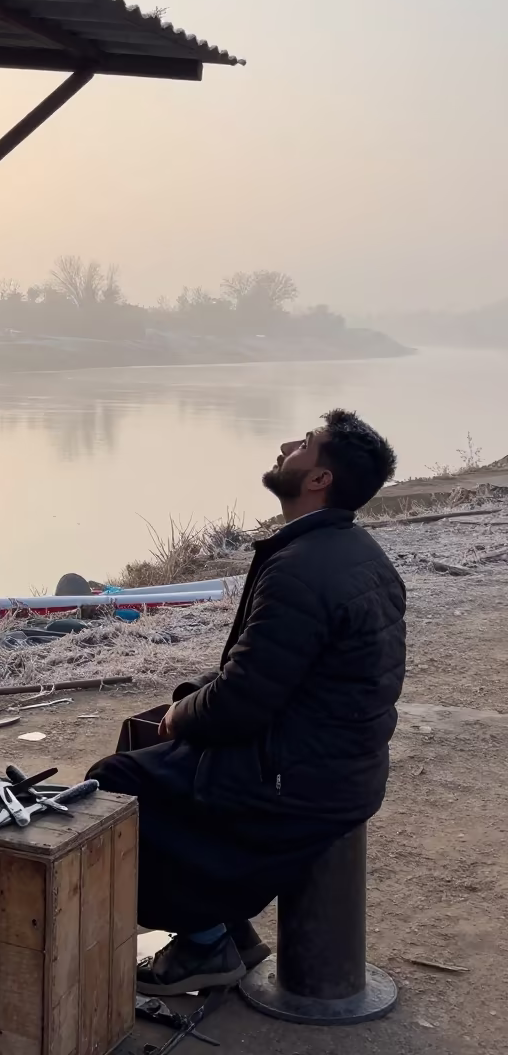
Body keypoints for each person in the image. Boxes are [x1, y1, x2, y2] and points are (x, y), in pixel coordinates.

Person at [88, 409, 406, 996]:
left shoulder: (303, 569)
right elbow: (267, 675)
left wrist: (181, 716)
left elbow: (241, 701)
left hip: (302, 780)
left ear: (319, 480)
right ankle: (226, 931)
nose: (287, 446)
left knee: (112, 787)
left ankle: (207, 941)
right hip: (330, 759)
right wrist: (187, 708)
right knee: (147, 749)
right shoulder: (349, 551)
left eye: (306, 444)